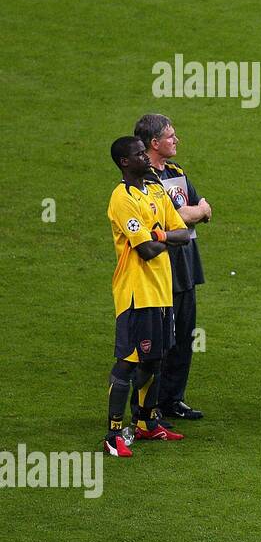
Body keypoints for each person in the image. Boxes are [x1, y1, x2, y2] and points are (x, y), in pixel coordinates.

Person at [104, 136, 192, 457]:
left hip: (161, 290)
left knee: (155, 359)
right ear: (125, 162)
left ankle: (145, 423)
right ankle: (113, 434)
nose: (146, 157)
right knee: (128, 362)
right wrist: (164, 237)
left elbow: (184, 232)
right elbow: (145, 249)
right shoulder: (121, 198)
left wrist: (160, 234)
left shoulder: (155, 189)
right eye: (139, 154)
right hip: (134, 294)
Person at [134, 114, 211, 421]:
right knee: (162, 339)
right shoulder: (145, 179)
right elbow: (177, 219)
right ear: (154, 143)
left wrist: (196, 211)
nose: (176, 140)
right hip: (161, 266)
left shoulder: (175, 172)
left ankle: (172, 399)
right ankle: (148, 407)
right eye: (170, 136)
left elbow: (200, 209)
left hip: (186, 263)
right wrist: (197, 211)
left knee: (184, 337)